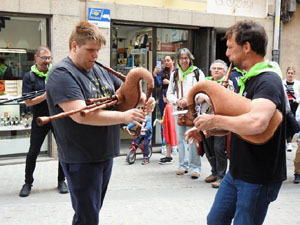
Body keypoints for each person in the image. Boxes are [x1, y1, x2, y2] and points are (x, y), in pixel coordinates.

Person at [46, 21, 155, 225]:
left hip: (104, 153)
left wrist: (145, 101)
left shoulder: (99, 69)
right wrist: (125, 117)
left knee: (91, 213)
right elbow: (81, 114)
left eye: (98, 50)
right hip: (81, 157)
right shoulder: (62, 74)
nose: (95, 55)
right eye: (90, 50)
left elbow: (125, 94)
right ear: (74, 46)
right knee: (87, 217)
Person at [186, 20, 286, 224]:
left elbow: (256, 123)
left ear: (247, 47)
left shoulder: (268, 81)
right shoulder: (247, 79)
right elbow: (237, 122)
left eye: (231, 48)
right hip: (237, 172)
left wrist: (214, 119)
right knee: (215, 220)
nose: (228, 54)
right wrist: (209, 130)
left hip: (257, 176)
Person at [19, 46, 68, 197]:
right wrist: (46, 95)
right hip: (40, 118)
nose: (47, 61)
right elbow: (28, 102)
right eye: (44, 58)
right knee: (33, 152)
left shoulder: (56, 73)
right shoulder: (30, 76)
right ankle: (28, 183)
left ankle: (61, 181)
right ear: (36, 58)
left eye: (49, 58)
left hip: (57, 117)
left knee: (63, 150)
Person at [166, 47, 205, 179]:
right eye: (182, 58)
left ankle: (195, 168)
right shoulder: (174, 74)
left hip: (193, 111)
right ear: (178, 60)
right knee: (181, 140)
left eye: (186, 58)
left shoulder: (197, 73)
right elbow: (169, 93)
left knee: (193, 139)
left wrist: (188, 101)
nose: (184, 60)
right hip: (179, 111)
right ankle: (183, 166)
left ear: (190, 59)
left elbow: (202, 91)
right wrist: (177, 101)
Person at [195, 59, 233, 188]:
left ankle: (222, 176)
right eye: (214, 68)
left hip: (220, 122)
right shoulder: (205, 83)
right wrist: (205, 97)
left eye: (219, 68)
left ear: (225, 71)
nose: (216, 70)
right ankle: (214, 172)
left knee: (218, 149)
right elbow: (196, 97)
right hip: (205, 121)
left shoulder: (229, 83)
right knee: (208, 148)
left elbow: (232, 99)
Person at [282, 66, 300, 152]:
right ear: (286, 73)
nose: (290, 75)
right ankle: (289, 143)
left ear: (294, 74)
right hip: (285, 105)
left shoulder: (298, 83)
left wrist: (297, 100)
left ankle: (288, 141)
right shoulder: (282, 83)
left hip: (294, 104)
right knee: (289, 122)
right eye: (289, 73)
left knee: (292, 123)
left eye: (292, 73)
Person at [159, 89, 178, 164]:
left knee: (167, 142)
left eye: (163, 97)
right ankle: (168, 156)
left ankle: (169, 156)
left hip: (167, 127)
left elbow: (166, 119)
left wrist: (161, 122)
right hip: (169, 127)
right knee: (168, 142)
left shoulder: (168, 106)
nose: (163, 99)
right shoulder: (172, 106)